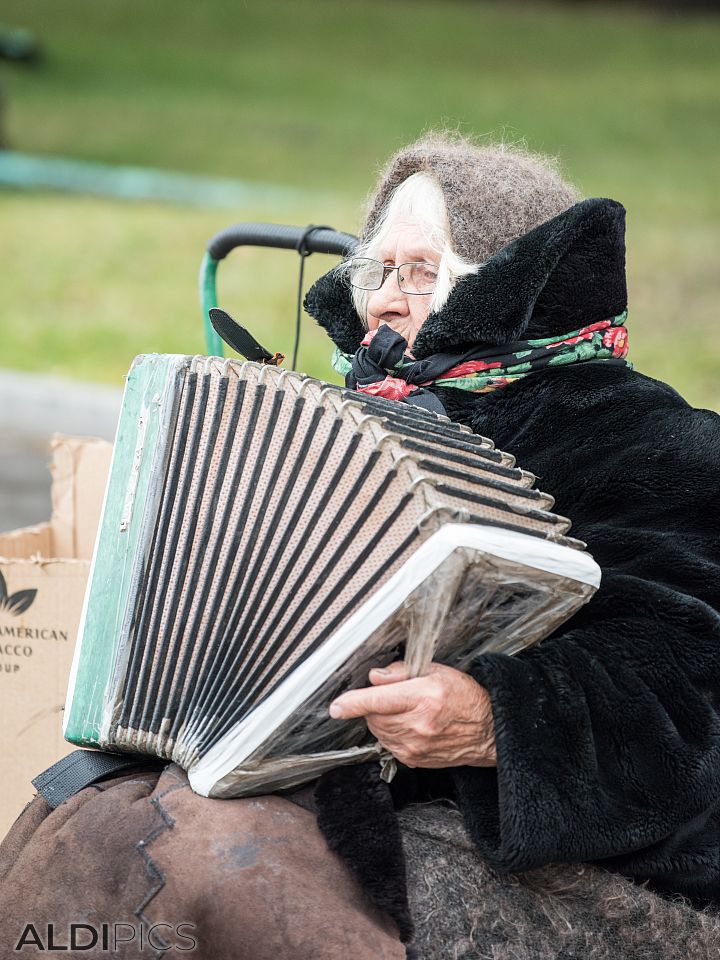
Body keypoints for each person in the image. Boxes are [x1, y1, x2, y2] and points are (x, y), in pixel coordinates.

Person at [3, 133, 720, 960]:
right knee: (84, 822)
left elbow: (687, 699)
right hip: (315, 788)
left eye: (421, 270)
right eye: (375, 270)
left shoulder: (652, 443)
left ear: (515, 287)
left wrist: (497, 722)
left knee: (214, 866)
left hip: (595, 876)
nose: (383, 299)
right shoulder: (346, 418)